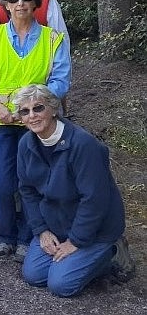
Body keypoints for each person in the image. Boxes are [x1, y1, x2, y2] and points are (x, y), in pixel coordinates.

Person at [0, 0, 71, 262]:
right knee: (1, 183)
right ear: (5, 5)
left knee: (35, 182)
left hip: (37, 126)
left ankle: (30, 237)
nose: (21, 4)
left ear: (35, 3)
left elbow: (61, 81)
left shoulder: (53, 40)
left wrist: (33, 111)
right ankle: (5, 236)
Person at [14, 84, 136, 297]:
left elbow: (95, 199)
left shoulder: (83, 144)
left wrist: (75, 241)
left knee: (61, 285)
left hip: (95, 230)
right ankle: (75, 261)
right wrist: (41, 230)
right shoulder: (26, 144)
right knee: (33, 275)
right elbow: (27, 191)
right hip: (56, 225)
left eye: (38, 108)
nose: (32, 116)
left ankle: (113, 252)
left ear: (53, 109)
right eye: (25, 111)